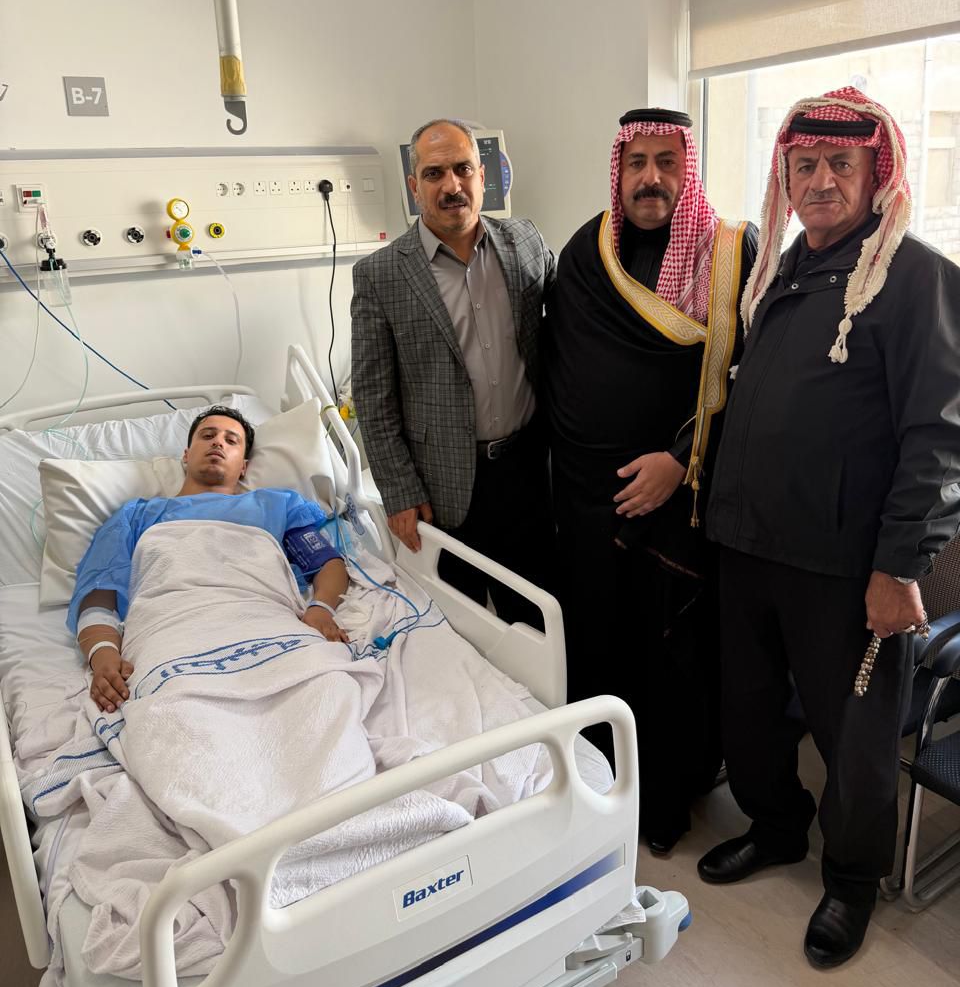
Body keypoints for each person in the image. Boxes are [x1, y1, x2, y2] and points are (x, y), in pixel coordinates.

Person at [700, 86, 960, 968]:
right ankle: (776, 828)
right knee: (749, 710)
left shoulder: (914, 278)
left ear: (874, 171)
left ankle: (851, 880)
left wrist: (900, 567)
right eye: (804, 165)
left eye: (839, 165)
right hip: (748, 544)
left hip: (848, 567)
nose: (819, 182)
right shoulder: (783, 268)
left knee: (855, 740)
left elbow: (939, 438)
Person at [542, 107, 757, 852]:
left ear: (687, 169)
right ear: (619, 168)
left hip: (678, 496)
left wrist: (678, 460)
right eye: (637, 162)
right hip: (588, 500)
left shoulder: (728, 252)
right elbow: (558, 358)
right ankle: (602, 789)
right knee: (597, 645)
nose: (650, 178)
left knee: (669, 651)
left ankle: (665, 802)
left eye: (667, 162)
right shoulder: (588, 249)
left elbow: (748, 379)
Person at [351, 118, 557, 625]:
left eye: (463, 169)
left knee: (537, 616)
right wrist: (400, 491)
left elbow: (567, 329)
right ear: (414, 185)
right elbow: (374, 398)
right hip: (441, 485)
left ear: (483, 176)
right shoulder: (381, 275)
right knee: (460, 627)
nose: (451, 185)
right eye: (434, 173)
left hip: (529, 468)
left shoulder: (525, 241)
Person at [72, 406, 349, 713]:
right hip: (172, 632)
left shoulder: (276, 505)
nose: (218, 442)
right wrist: (103, 653)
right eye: (208, 435)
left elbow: (326, 562)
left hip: (266, 621)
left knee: (327, 696)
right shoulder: (136, 516)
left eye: (231, 440)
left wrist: (321, 609)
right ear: (186, 455)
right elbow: (99, 595)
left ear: (243, 466)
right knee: (176, 713)